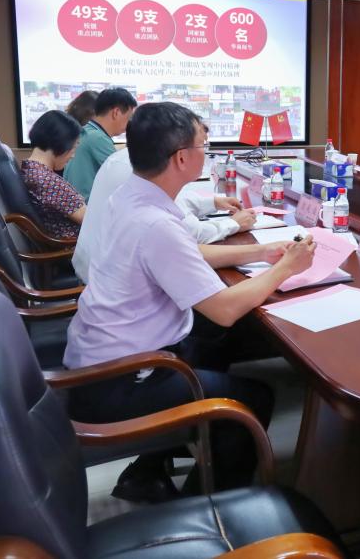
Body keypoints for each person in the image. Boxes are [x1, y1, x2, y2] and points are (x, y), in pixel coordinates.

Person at [64, 102, 316, 502]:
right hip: (120, 380)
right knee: (250, 400)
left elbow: (185, 252)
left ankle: (146, 472)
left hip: (104, 359)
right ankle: (204, 511)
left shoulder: (132, 195)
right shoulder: (155, 223)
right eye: (204, 145)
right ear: (182, 158)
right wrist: (287, 268)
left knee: (213, 341)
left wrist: (262, 252)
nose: (207, 152)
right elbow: (225, 309)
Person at [72, 147, 256, 283]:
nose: (205, 151)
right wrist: (233, 224)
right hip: (110, 282)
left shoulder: (131, 159)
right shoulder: (147, 174)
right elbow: (190, 235)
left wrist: (213, 202)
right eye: (201, 144)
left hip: (95, 266)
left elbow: (178, 200)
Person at [21, 110, 85, 239]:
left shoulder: (30, 170)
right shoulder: (47, 182)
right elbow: (90, 219)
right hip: (73, 247)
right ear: (61, 143)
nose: (73, 155)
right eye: (73, 148)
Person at [64, 87, 137, 201]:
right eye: (128, 117)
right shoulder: (97, 138)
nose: (129, 123)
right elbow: (129, 177)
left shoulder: (89, 131)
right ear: (116, 113)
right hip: (87, 207)